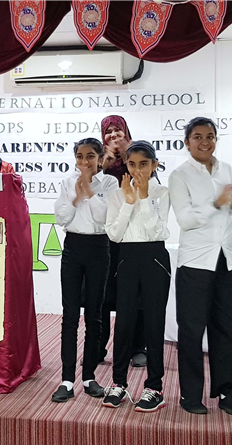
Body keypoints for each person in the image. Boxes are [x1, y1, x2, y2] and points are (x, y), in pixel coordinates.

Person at [169, 117, 232, 417]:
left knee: (228, 328)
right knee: (191, 330)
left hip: (228, 258)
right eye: (198, 137)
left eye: (211, 136)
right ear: (187, 141)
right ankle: (191, 395)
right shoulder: (180, 175)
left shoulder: (228, 169)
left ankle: (228, 393)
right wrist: (217, 202)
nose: (205, 142)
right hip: (195, 261)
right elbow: (186, 220)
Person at [102, 141, 171, 412]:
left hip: (155, 259)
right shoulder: (118, 195)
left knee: (154, 323)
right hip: (127, 259)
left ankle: (154, 387)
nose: (138, 170)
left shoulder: (162, 192)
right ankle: (118, 383)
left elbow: (158, 231)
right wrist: (129, 202)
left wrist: (142, 198)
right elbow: (114, 234)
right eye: (132, 164)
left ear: (154, 165)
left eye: (144, 164)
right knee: (124, 323)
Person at [51, 138, 118, 403]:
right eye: (80, 156)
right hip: (73, 248)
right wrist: (76, 197)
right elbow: (61, 218)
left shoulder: (109, 183)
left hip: (99, 248)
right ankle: (67, 379)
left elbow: (105, 217)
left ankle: (89, 376)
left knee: (94, 313)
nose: (84, 162)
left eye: (90, 156)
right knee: (69, 315)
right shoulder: (68, 182)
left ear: (100, 158)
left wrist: (88, 191)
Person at [97, 115, 149, 369]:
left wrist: (129, 153)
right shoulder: (97, 160)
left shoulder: (138, 155)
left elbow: (148, 185)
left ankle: (137, 347)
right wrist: (102, 164)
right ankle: (97, 347)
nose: (113, 135)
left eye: (118, 130)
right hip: (105, 238)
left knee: (136, 295)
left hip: (134, 236)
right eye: (108, 131)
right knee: (102, 295)